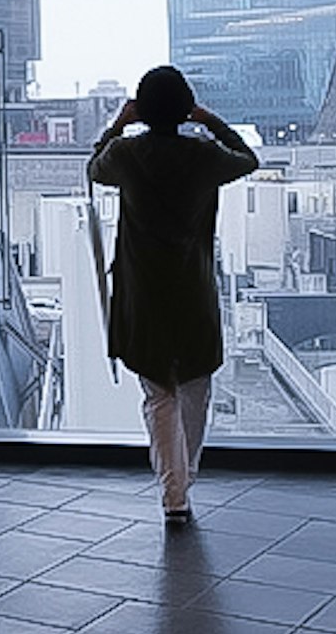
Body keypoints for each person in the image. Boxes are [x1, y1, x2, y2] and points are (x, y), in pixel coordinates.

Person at [87, 64, 262, 525]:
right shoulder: (203, 156)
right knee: (194, 388)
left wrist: (118, 124)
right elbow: (248, 158)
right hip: (192, 286)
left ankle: (174, 495)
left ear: (141, 109)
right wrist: (207, 120)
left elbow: (94, 166)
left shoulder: (126, 153)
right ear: (185, 107)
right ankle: (185, 478)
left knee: (157, 392)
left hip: (142, 289)